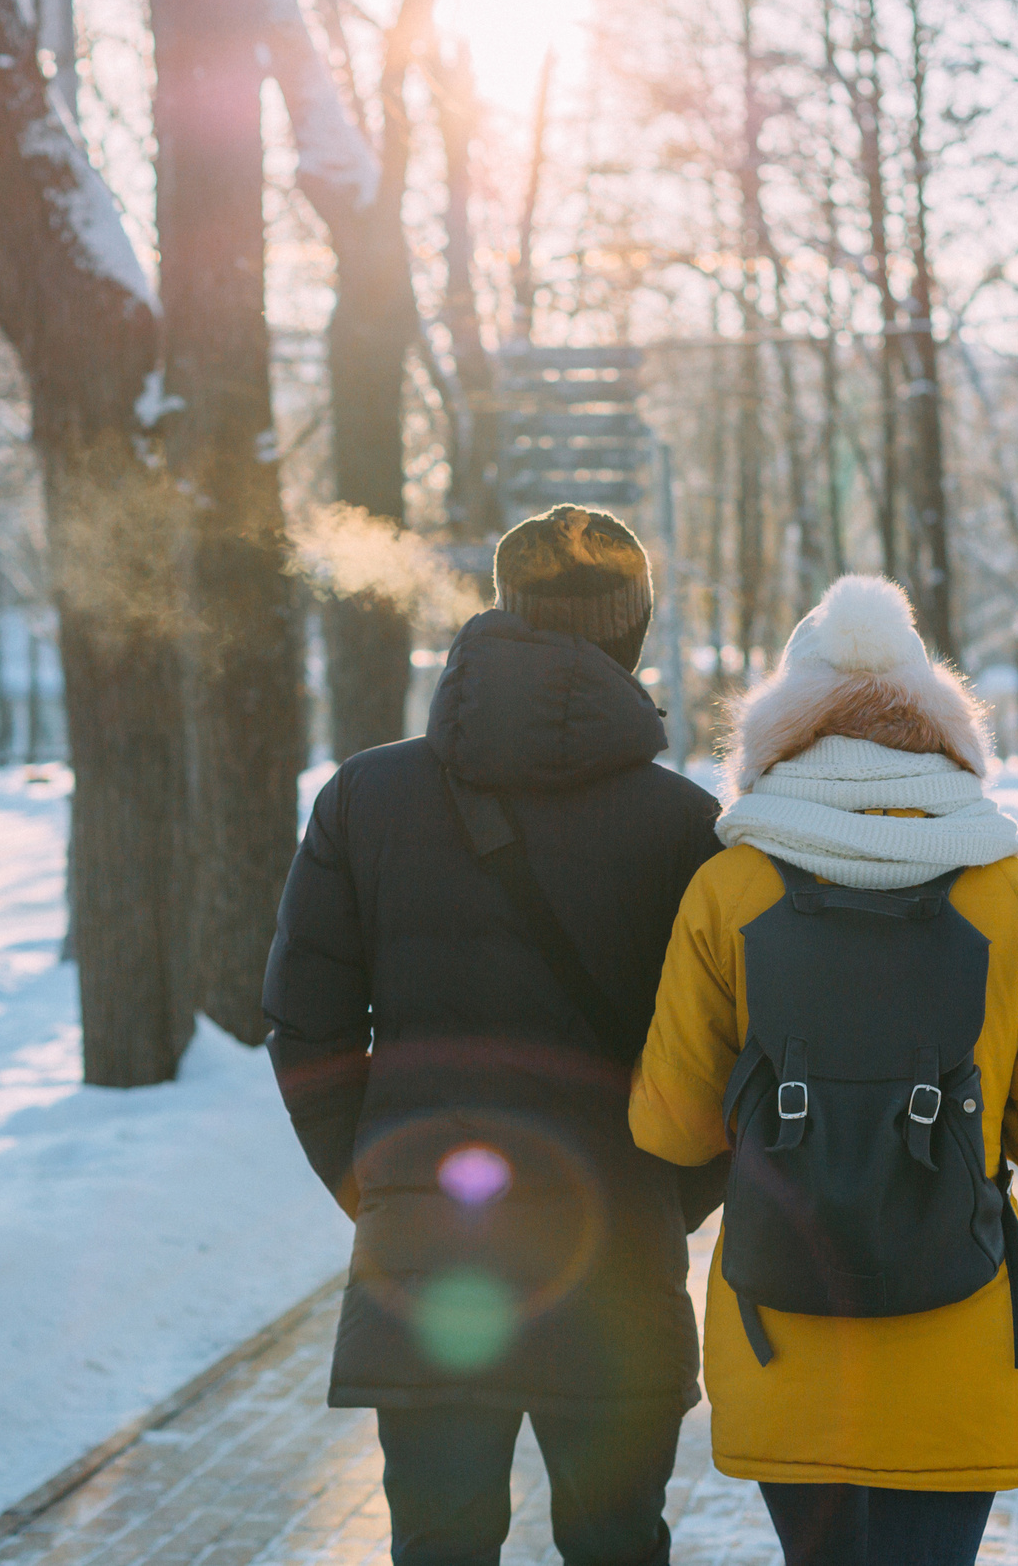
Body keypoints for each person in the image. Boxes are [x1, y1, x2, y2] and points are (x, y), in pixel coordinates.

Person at [263, 504, 724, 1566]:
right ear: (632, 632)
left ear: (502, 615)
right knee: (617, 1547)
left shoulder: (363, 801)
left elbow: (306, 1023)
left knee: (438, 1545)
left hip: (427, 1259)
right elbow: (723, 1055)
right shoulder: (685, 827)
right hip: (613, 1259)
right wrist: (668, 1195)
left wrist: (377, 1185)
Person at [629, 575, 1018, 1566]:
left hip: (783, 1333)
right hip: (962, 1333)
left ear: (782, 733)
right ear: (935, 725)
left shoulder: (728, 890)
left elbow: (668, 1128)